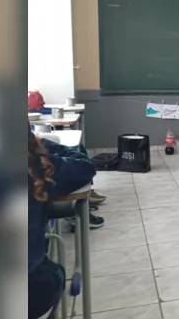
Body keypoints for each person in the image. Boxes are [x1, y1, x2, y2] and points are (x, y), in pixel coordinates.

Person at [29, 128, 96, 318]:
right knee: (51, 275)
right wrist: (41, 145)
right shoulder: (36, 166)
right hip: (30, 290)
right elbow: (85, 166)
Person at [38, 136, 105, 228]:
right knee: (78, 150)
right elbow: (86, 167)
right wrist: (41, 142)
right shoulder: (39, 165)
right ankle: (84, 208)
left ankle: (85, 203)